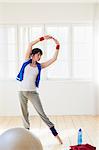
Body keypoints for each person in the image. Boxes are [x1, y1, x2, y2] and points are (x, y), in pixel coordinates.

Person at [16, 35, 63, 144]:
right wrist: (42, 38)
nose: (39, 57)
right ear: (32, 55)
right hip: (21, 91)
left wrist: (57, 46)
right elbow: (30, 44)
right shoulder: (26, 61)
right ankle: (26, 134)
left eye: (40, 55)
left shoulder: (39, 66)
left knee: (42, 114)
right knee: (24, 113)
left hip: (33, 93)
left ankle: (55, 134)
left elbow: (54, 59)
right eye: (38, 55)